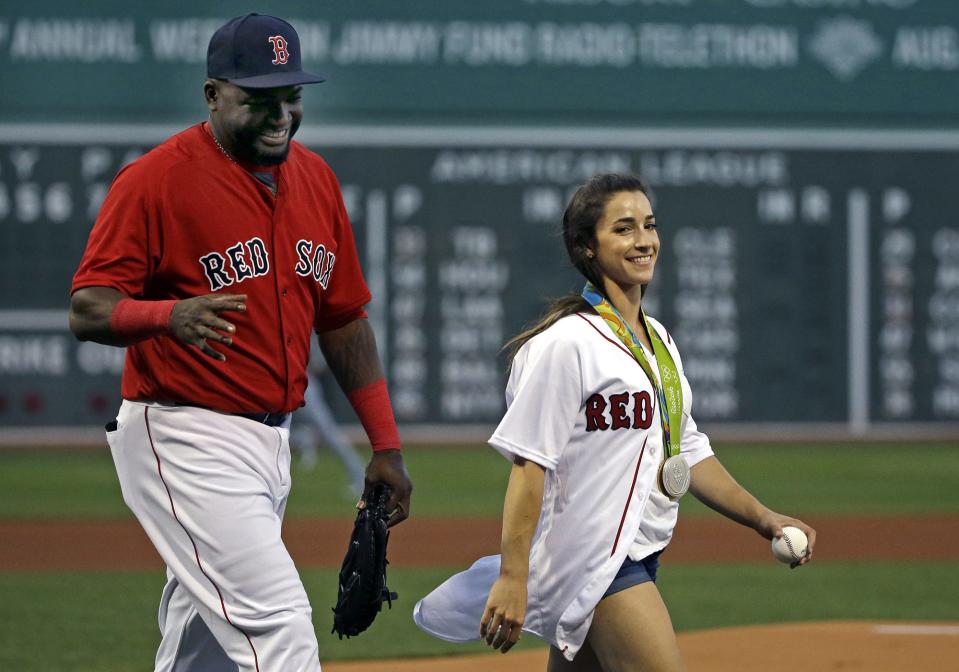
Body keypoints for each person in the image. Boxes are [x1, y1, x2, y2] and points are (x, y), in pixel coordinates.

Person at [68, 13, 412, 672]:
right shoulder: (155, 181)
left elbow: (342, 319)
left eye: (291, 96)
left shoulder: (316, 180)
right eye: (258, 98)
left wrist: (386, 445)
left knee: (204, 650)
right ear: (212, 94)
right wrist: (165, 316)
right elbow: (88, 308)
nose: (280, 112)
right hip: (182, 434)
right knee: (280, 631)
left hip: (267, 442)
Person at [413, 173, 815, 671]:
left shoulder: (659, 342)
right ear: (586, 247)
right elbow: (528, 469)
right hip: (591, 562)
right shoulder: (565, 344)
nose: (643, 240)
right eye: (623, 229)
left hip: (636, 553)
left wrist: (764, 518)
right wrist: (514, 577)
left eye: (649, 225)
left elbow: (687, 453)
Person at [292, 347, 367, 497]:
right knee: (269, 429)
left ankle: (361, 477)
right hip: (276, 385)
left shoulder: (303, 328)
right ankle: (302, 439)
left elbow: (319, 362)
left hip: (302, 384)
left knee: (328, 431)